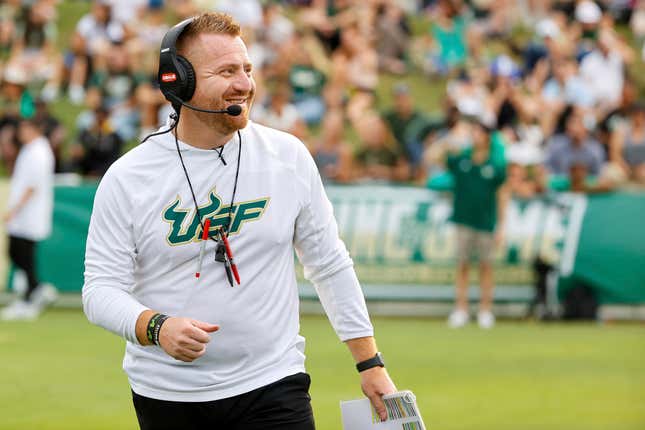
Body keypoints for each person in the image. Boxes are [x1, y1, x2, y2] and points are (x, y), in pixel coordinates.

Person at [82, 13, 396, 430]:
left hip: (273, 382)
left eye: (247, 69)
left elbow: (329, 264)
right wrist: (155, 327)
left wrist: (369, 362)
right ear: (181, 81)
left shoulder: (288, 157)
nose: (245, 84)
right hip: (169, 394)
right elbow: (100, 289)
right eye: (226, 71)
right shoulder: (128, 178)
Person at [438, 116, 507, 329]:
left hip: (485, 221)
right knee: (463, 265)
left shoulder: (495, 164)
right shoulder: (462, 159)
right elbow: (434, 157)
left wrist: (502, 226)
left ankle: (485, 310)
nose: (475, 136)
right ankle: (461, 309)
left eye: (479, 132)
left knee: (486, 266)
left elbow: (502, 194)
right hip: (463, 220)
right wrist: (449, 139)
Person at [1, 117, 56, 321]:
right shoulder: (29, 149)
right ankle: (34, 290)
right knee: (16, 252)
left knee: (24, 255)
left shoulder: (40, 152)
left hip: (29, 213)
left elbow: (32, 185)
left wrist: (14, 209)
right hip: (22, 214)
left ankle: (33, 293)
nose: (21, 133)